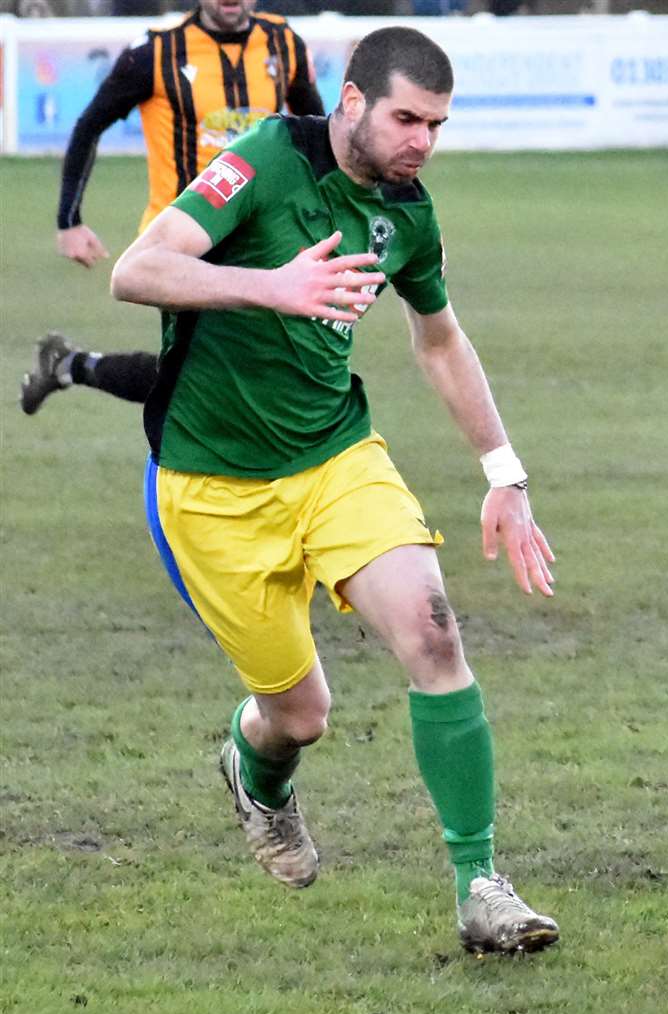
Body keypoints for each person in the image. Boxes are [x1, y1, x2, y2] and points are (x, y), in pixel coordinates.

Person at [109, 26, 560, 955]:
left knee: (435, 634)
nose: (420, 142)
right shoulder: (269, 159)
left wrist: (504, 472)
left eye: (436, 124)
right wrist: (270, 286)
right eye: (405, 118)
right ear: (351, 100)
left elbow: (438, 339)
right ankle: (256, 770)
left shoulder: (409, 214)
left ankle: (481, 885)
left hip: (333, 458)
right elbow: (137, 269)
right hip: (210, 484)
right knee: (300, 716)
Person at [22, 0, 323, 416]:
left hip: (265, 239)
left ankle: (70, 366)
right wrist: (68, 220)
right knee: (218, 379)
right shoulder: (156, 53)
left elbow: (317, 133)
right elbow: (89, 124)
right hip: (182, 245)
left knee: (215, 377)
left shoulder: (283, 43)